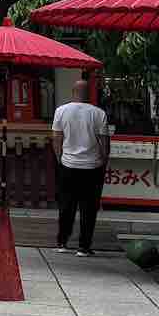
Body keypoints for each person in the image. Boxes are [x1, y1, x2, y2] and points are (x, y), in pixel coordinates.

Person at [51, 78, 111, 256]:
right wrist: (103, 161)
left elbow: (56, 139)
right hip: (92, 166)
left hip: (68, 164)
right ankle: (84, 247)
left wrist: (60, 158)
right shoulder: (99, 114)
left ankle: (62, 242)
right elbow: (105, 144)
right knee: (89, 208)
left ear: (73, 92)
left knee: (66, 205)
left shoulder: (61, 111)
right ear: (89, 94)